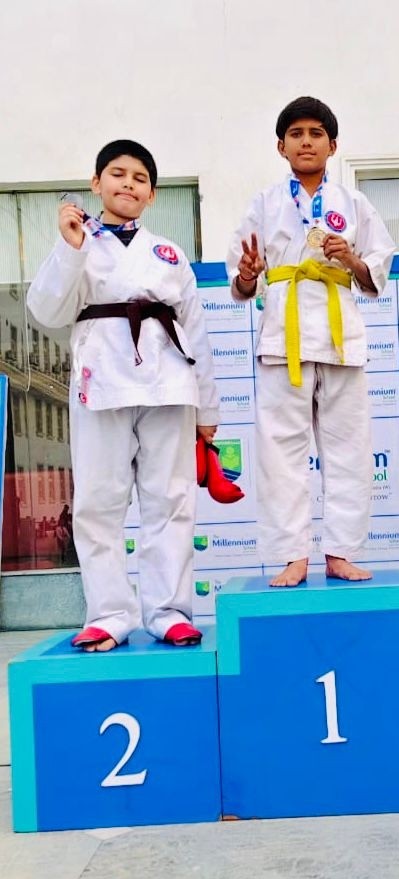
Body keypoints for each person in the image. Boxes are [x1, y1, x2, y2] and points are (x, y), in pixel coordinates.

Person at [27, 140, 220, 651]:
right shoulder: (78, 242)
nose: (128, 184)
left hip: (169, 382)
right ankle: (109, 614)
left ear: (152, 194)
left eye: (140, 178)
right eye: (117, 173)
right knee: (98, 503)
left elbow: (196, 331)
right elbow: (46, 310)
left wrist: (207, 408)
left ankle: (169, 612)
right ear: (96, 184)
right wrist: (70, 249)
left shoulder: (169, 253)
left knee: (170, 500)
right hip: (102, 384)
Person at [227, 96, 395, 587]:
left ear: (332, 145)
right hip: (284, 336)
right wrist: (248, 274)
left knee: (351, 450)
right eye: (296, 134)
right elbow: (241, 280)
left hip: (341, 339)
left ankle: (341, 552)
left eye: (316, 133)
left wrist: (351, 259)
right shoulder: (263, 203)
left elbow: (377, 268)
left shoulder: (355, 204)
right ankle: (292, 554)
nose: (306, 142)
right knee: (281, 452)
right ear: (281, 146)